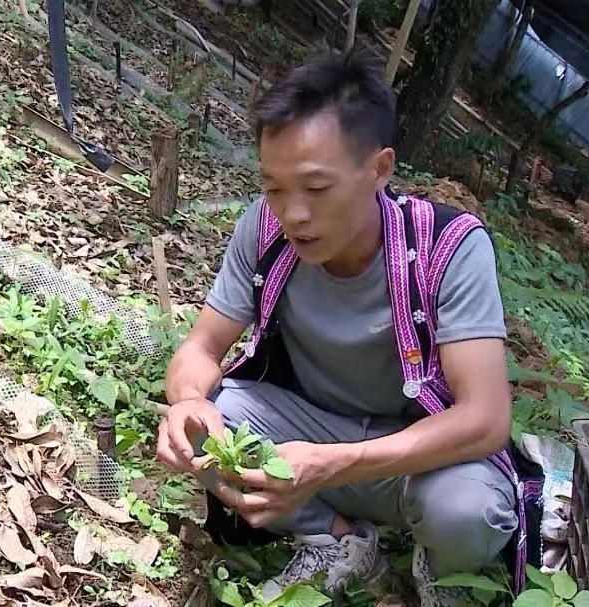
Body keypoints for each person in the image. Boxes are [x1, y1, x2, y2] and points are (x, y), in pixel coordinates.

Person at [154, 40, 540, 606]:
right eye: (274, 188)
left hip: (415, 461)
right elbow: (201, 347)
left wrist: (335, 465)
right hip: (310, 435)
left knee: (467, 512)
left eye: (315, 187)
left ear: (379, 169)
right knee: (212, 425)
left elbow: (485, 419)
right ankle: (340, 543)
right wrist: (188, 399)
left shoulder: (447, 247)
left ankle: (440, 570)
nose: (294, 213)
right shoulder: (264, 231)